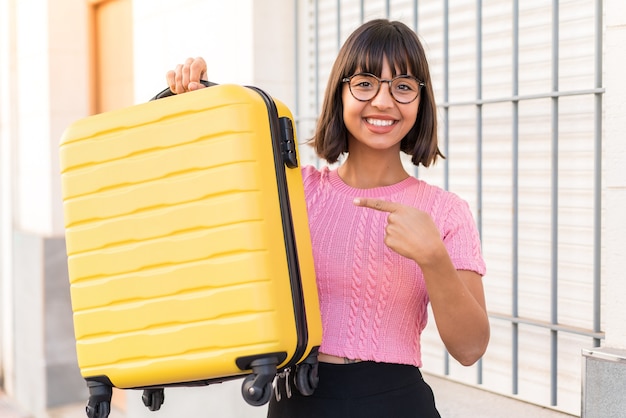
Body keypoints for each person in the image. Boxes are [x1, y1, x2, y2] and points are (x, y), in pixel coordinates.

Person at [164, 18, 489, 418]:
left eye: (403, 86)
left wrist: (433, 257)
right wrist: (194, 107)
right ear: (340, 94)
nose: (384, 102)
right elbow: (202, 205)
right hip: (296, 400)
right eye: (365, 83)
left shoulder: (444, 211)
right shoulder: (292, 190)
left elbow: (471, 349)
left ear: (421, 101)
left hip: (395, 403)